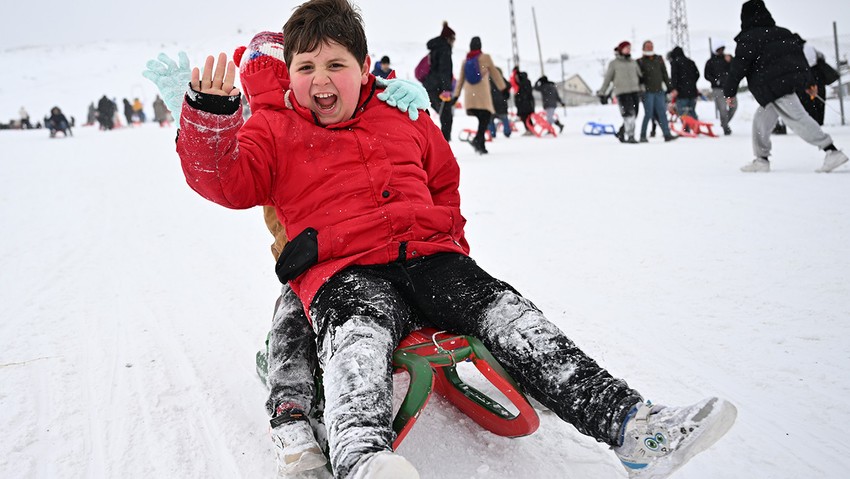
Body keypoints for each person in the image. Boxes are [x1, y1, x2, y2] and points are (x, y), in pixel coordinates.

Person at [174, 1, 737, 478]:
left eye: (335, 64)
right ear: (288, 73)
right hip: (343, 267)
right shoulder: (275, 130)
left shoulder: (403, 114)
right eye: (305, 66)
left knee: (509, 315)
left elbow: (442, 179)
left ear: (365, 67)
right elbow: (224, 180)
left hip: (429, 256)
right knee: (358, 336)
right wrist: (210, 118)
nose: (320, 79)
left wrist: (448, 240)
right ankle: (362, 457)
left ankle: (633, 427)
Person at [145, 29, 433, 477]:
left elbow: (364, 116)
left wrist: (396, 95)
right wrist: (195, 112)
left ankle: (521, 362)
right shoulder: (267, 129)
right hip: (312, 269)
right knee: (292, 327)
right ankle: (291, 417)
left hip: (382, 255)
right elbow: (225, 160)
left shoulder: (320, 109)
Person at [724, 0, 848, 173]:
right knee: (761, 121)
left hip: (772, 88)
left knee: (799, 120)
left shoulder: (748, 39)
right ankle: (761, 159)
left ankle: (831, 150)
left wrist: (729, 92)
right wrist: (809, 82)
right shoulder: (783, 33)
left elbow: (738, 68)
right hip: (778, 87)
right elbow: (800, 61)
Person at [453, 36, 508, 154]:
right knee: (485, 117)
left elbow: (460, 79)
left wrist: (456, 96)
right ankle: (478, 140)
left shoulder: (465, 61)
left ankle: (480, 144)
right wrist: (503, 89)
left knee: (482, 119)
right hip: (482, 96)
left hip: (470, 97)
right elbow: (495, 73)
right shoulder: (486, 58)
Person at [597, 41, 642, 144]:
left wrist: (642, 88)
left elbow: (640, 76)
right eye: (626, 48)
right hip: (622, 92)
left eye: (629, 48)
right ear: (621, 49)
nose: (628, 50)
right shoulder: (614, 64)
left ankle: (621, 132)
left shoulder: (633, 62)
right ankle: (630, 136)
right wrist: (602, 92)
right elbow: (607, 79)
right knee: (628, 115)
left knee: (635, 115)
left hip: (634, 91)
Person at [636, 40, 677, 142]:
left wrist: (669, 88)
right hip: (647, 92)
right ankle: (642, 136)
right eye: (648, 46)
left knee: (662, 113)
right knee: (648, 114)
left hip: (659, 91)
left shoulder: (659, 59)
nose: (650, 48)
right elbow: (638, 77)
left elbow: (664, 74)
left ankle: (667, 134)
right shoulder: (640, 61)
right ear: (643, 48)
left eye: (651, 46)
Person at [422, 21, 456, 142]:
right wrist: (446, 89)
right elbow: (444, 70)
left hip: (430, 87)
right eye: (453, 39)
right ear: (449, 38)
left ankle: (440, 145)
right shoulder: (444, 49)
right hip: (439, 88)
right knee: (447, 118)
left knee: (444, 117)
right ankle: (442, 147)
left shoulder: (436, 47)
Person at [704, 41, 737, 135]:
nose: (721, 51)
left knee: (733, 106)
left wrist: (731, 60)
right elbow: (706, 75)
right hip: (717, 89)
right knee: (722, 109)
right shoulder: (710, 62)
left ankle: (724, 123)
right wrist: (715, 81)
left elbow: (736, 68)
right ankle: (726, 127)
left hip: (729, 87)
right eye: (719, 49)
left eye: (722, 49)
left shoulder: (728, 59)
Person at [668, 46, 701, 121]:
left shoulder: (675, 63)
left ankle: (687, 129)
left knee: (683, 113)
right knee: (692, 111)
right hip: (692, 91)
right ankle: (696, 128)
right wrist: (691, 83)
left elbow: (674, 77)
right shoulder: (691, 62)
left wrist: (675, 88)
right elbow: (697, 75)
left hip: (681, 93)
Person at [799, 42, 828, 126]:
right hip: (816, 78)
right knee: (817, 102)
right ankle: (817, 121)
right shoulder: (809, 48)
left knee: (813, 102)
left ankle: (815, 122)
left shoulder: (805, 49)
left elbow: (809, 63)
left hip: (812, 79)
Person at [488, 66, 511, 139]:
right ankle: (507, 132)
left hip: (491, 103)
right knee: (504, 118)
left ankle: (492, 133)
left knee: (490, 119)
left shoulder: (488, 80)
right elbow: (508, 86)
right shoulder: (502, 79)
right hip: (502, 103)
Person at [512, 67, 535, 136]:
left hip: (524, 104)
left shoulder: (522, 84)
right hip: (526, 104)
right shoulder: (527, 82)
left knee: (524, 117)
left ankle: (529, 129)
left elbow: (522, 94)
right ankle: (531, 128)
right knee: (527, 118)